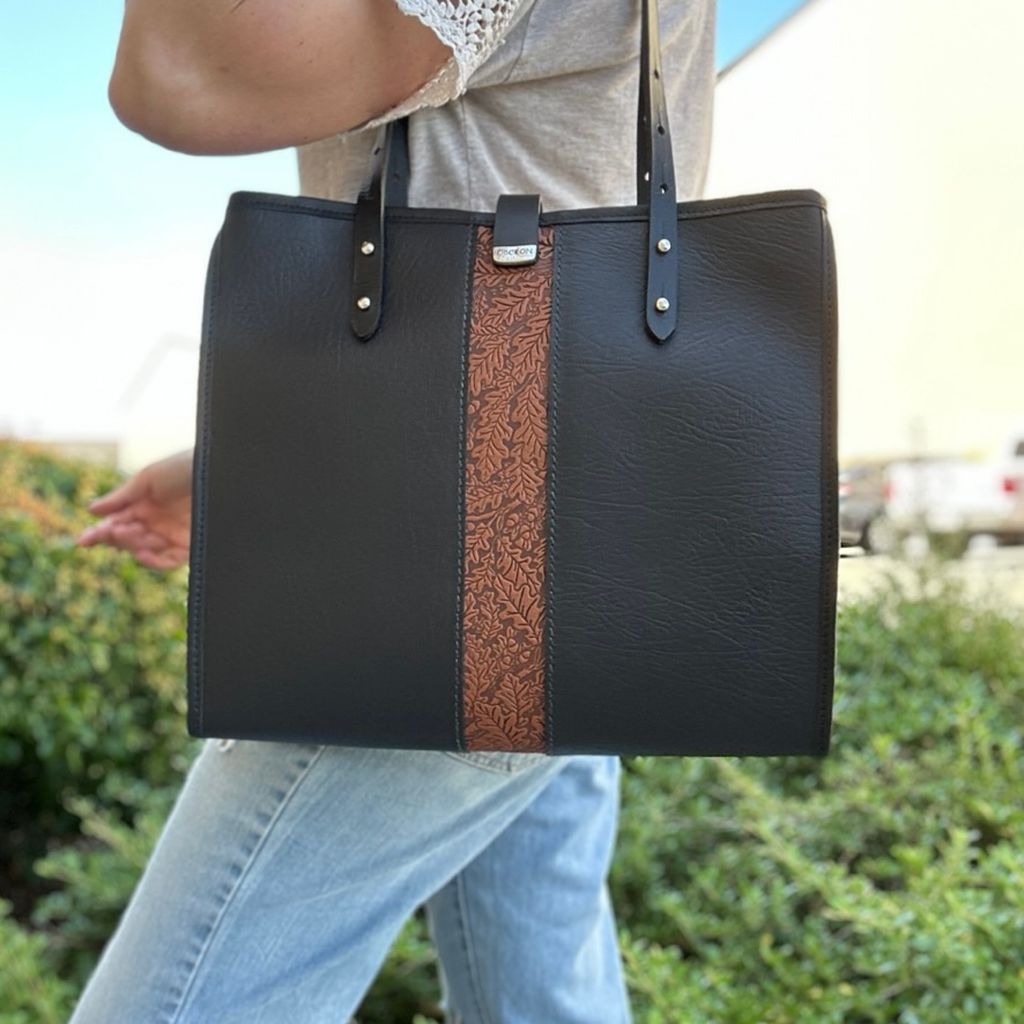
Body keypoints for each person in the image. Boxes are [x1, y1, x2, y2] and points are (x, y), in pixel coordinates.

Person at [71, 1, 715, 1021]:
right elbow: (499, 230)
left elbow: (174, 81)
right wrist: (242, 462)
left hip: (446, 577)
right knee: (539, 999)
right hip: (559, 550)